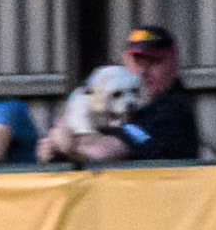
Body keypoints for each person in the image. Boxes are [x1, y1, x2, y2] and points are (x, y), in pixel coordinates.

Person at [38, 25, 199, 164]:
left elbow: (106, 152)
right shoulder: (119, 104)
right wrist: (53, 149)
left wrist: (69, 144)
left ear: (175, 66)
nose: (143, 72)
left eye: (154, 63)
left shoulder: (172, 109)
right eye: (137, 62)